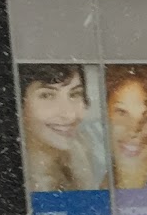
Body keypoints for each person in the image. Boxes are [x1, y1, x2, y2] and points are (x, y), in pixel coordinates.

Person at [18, 65, 100, 193]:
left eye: (75, 94)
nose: (69, 115)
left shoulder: (91, 151)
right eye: (47, 95)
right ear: (20, 105)